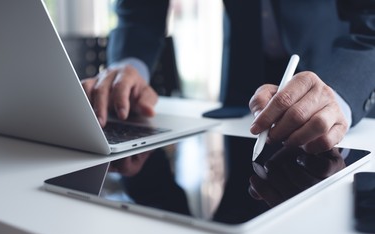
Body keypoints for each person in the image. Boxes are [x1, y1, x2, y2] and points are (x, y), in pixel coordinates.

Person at [81, 0, 375, 154]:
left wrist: (340, 90)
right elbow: (141, 8)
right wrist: (128, 62)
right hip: (244, 84)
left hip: (337, 70)